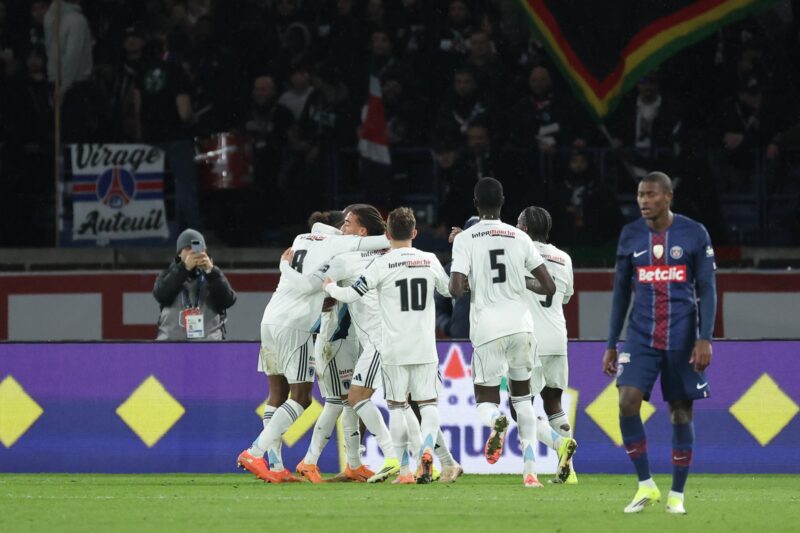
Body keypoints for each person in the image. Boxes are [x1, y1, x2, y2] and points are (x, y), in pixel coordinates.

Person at [237, 210, 390, 483]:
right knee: (304, 397)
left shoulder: (300, 240)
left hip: (271, 319)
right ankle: (255, 452)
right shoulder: (336, 247)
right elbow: (379, 242)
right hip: (299, 327)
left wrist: (286, 267)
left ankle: (274, 465)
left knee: (278, 392)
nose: (346, 229)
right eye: (343, 224)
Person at [602, 171, 717, 514]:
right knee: (626, 401)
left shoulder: (694, 233)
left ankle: (677, 494)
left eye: (650, 195)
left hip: (682, 337)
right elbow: (621, 292)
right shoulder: (630, 235)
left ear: (667, 197)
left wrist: (704, 338)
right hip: (640, 335)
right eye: (639, 195)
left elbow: (708, 289)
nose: (643, 201)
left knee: (680, 412)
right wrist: (611, 342)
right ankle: (645, 485)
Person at [324, 207, 452, 484]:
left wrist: (329, 287)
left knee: (394, 406)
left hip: (389, 344)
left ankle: (401, 465)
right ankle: (433, 458)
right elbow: (450, 291)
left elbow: (350, 293)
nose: (342, 228)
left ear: (386, 234)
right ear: (415, 232)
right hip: (424, 345)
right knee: (424, 405)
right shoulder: (428, 259)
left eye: (348, 223)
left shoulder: (378, 264)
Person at [449, 177, 556, 487]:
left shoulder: (466, 238)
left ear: (475, 203)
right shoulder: (519, 237)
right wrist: (521, 283)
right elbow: (548, 287)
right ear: (503, 201)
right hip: (522, 327)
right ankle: (531, 471)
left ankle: (497, 421)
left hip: (487, 329)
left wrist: (471, 283)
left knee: (485, 401)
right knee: (523, 401)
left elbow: (456, 289)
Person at [516, 206, 578, 484]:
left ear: (526, 229)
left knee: (520, 407)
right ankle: (569, 471)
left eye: (518, 223)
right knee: (553, 401)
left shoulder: (519, 253)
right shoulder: (564, 257)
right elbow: (565, 298)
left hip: (532, 341)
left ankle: (548, 454)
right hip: (558, 338)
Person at [153, 229, 236, 340]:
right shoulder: (168, 275)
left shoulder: (212, 276)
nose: (193, 252)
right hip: (172, 347)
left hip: (209, 347)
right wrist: (184, 268)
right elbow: (161, 294)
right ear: (179, 254)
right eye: (188, 248)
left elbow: (227, 300)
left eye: (197, 248)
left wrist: (211, 271)